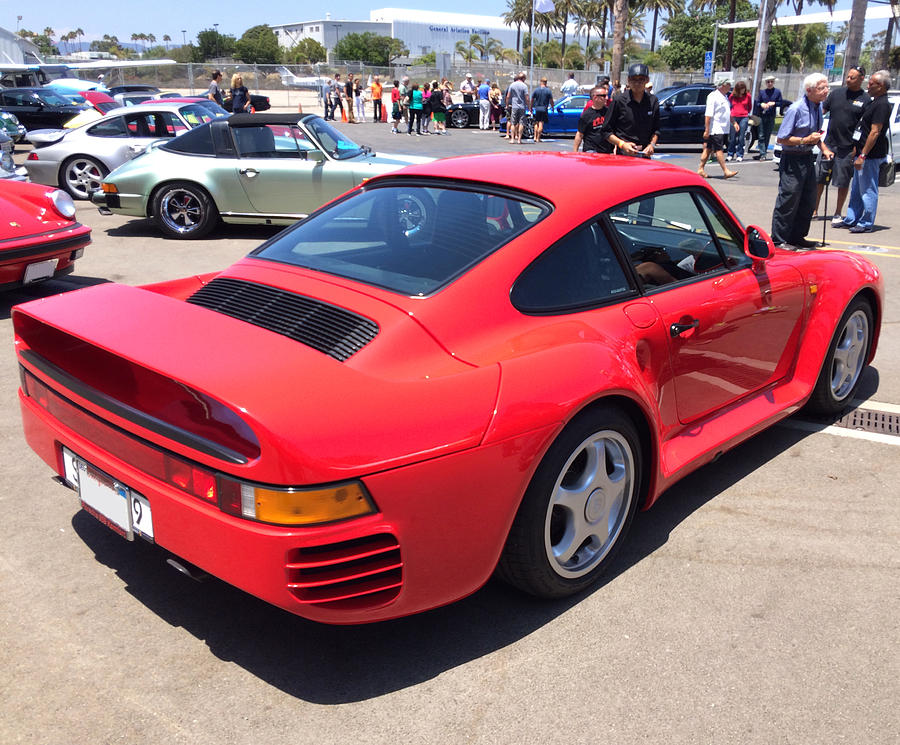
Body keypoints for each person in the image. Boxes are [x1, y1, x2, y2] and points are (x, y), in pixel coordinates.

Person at [771, 72, 833, 248]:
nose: (825, 91)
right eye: (821, 88)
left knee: (808, 198)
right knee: (788, 199)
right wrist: (805, 140)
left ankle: (797, 236)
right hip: (792, 158)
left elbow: (816, 135)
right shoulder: (796, 109)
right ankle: (779, 239)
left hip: (806, 157)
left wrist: (824, 149)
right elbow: (782, 139)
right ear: (809, 90)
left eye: (826, 87)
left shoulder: (817, 108)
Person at [814, 66, 869, 226]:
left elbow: (863, 127)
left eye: (852, 77)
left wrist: (856, 148)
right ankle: (814, 209)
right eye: (848, 76)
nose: (848, 79)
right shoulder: (836, 94)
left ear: (861, 79)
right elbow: (821, 111)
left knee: (842, 181)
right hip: (829, 144)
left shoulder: (865, 99)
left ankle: (838, 213)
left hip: (848, 148)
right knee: (820, 178)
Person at [838, 70, 892, 234]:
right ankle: (852, 218)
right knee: (856, 189)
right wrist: (857, 149)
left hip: (870, 155)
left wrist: (863, 155)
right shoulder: (874, 102)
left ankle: (866, 221)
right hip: (861, 151)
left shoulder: (882, 104)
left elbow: (875, 132)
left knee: (868, 189)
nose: (867, 86)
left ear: (881, 86)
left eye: (871, 83)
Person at [602, 63, 660, 157]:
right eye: (634, 79)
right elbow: (606, 131)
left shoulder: (653, 101)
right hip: (624, 155)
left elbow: (656, 130)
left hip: (645, 155)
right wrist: (622, 144)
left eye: (641, 79)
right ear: (628, 80)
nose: (637, 83)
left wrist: (652, 145)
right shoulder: (619, 101)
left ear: (647, 80)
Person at [697, 76, 739, 179]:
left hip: (723, 128)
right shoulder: (713, 96)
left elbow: (727, 113)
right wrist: (707, 130)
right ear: (723, 85)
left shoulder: (724, 97)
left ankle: (700, 169)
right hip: (715, 128)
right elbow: (708, 115)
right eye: (728, 84)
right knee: (719, 149)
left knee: (708, 149)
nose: (730, 87)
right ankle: (726, 171)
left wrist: (734, 122)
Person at [572, 85, 612, 153]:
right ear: (595, 97)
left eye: (607, 95)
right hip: (591, 150)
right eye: (604, 96)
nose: (607, 98)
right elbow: (580, 134)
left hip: (606, 151)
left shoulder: (609, 112)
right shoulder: (586, 115)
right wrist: (575, 151)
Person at [754, 74, 783, 160]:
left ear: (773, 82)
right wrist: (762, 104)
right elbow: (757, 103)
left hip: (771, 116)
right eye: (768, 82)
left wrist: (774, 103)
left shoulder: (777, 92)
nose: (770, 83)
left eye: (771, 82)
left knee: (767, 135)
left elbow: (780, 102)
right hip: (762, 116)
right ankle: (762, 153)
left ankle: (763, 152)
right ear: (766, 83)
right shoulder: (762, 92)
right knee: (761, 135)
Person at [726, 80, 752, 162]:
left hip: (743, 117)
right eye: (741, 89)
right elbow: (729, 105)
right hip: (733, 117)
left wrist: (746, 113)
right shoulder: (732, 96)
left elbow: (749, 106)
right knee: (732, 137)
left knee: (741, 137)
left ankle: (740, 154)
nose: (742, 90)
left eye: (743, 89)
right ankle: (730, 154)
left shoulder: (748, 96)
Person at [505, 71, 530, 144]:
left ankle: (512, 139)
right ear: (523, 78)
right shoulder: (524, 86)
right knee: (521, 123)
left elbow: (508, 96)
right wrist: (528, 106)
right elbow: (527, 98)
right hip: (522, 107)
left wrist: (507, 105)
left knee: (513, 123)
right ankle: (519, 139)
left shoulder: (512, 85)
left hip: (514, 106)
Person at [531, 77, 554, 142]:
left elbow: (532, 99)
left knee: (536, 123)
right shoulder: (548, 90)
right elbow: (551, 101)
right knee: (541, 123)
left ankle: (535, 137)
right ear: (546, 83)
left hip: (537, 108)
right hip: (544, 108)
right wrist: (552, 107)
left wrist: (531, 107)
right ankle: (538, 138)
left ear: (540, 82)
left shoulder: (536, 90)